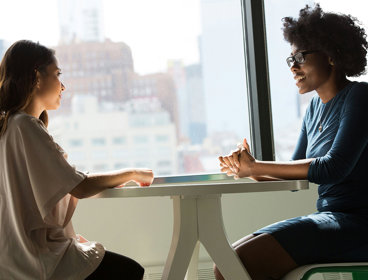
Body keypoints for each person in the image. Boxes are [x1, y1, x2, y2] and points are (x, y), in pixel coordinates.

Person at [216, 4, 368, 280]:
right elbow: (293, 177)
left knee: (238, 266)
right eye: (290, 60)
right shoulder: (313, 109)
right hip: (333, 218)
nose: (293, 67)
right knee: (226, 264)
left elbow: (333, 168)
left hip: (359, 224)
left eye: (299, 57)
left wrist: (257, 166)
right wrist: (247, 169)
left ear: (331, 55)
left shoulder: (360, 96)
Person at [0, 40, 154, 280]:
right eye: (57, 75)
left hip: (13, 259)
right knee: (131, 271)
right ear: (36, 77)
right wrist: (132, 173)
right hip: (35, 260)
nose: (63, 86)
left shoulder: (8, 126)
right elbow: (79, 186)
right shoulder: (25, 126)